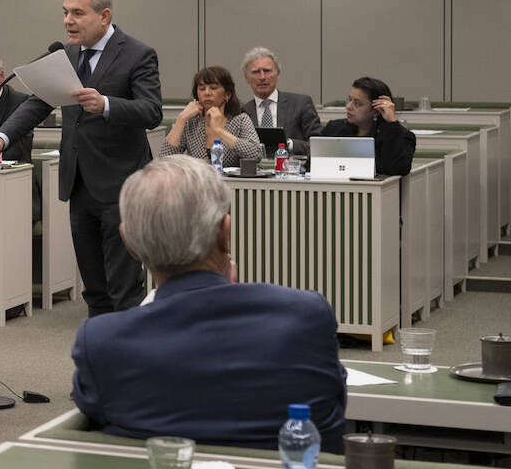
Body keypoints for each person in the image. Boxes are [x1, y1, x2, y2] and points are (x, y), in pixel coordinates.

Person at [71, 156, 346, 450]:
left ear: (130, 245)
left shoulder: (102, 343)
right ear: (224, 233)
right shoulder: (307, 316)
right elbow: (334, 407)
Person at [0, 0, 163, 315]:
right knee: (94, 289)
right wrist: (3, 136)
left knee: (124, 289)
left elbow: (152, 111)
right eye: (65, 12)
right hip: (79, 184)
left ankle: (129, 360)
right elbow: (39, 102)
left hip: (123, 185)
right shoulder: (65, 54)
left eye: (77, 13)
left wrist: (107, 105)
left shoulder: (137, 54)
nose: (68, 20)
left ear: (104, 15)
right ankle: (100, 356)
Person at [160, 66, 263, 166]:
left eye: (213, 88)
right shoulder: (192, 122)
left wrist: (219, 130)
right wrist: (181, 119)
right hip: (199, 182)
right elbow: (164, 160)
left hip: (232, 183)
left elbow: (256, 154)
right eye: (202, 88)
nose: (207, 93)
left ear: (227, 94)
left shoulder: (240, 119)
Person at [314, 76, 418, 176]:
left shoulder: (400, 136)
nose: (349, 107)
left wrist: (391, 122)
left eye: (357, 103)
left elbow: (397, 169)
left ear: (376, 110)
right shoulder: (335, 128)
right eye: (349, 100)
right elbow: (312, 165)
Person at [241, 47, 322, 156]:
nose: (262, 77)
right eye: (256, 72)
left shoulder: (301, 103)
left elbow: (319, 144)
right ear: (246, 78)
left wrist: (288, 144)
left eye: (267, 71)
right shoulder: (242, 112)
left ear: (277, 75)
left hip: (293, 169)